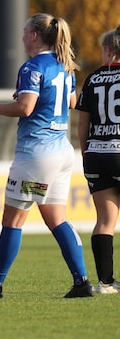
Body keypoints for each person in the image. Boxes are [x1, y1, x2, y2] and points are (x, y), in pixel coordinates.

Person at [0, 13, 93, 299]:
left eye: (24, 32)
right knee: (57, 219)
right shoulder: (64, 67)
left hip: (37, 153)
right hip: (62, 150)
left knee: (12, 221)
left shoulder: (32, 66)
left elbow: (26, 109)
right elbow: (71, 102)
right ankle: (82, 280)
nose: (21, 37)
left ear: (34, 35)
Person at [76, 24, 120, 294]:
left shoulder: (93, 78)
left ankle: (105, 282)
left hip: (97, 153)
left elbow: (82, 123)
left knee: (105, 219)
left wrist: (85, 153)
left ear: (107, 50)